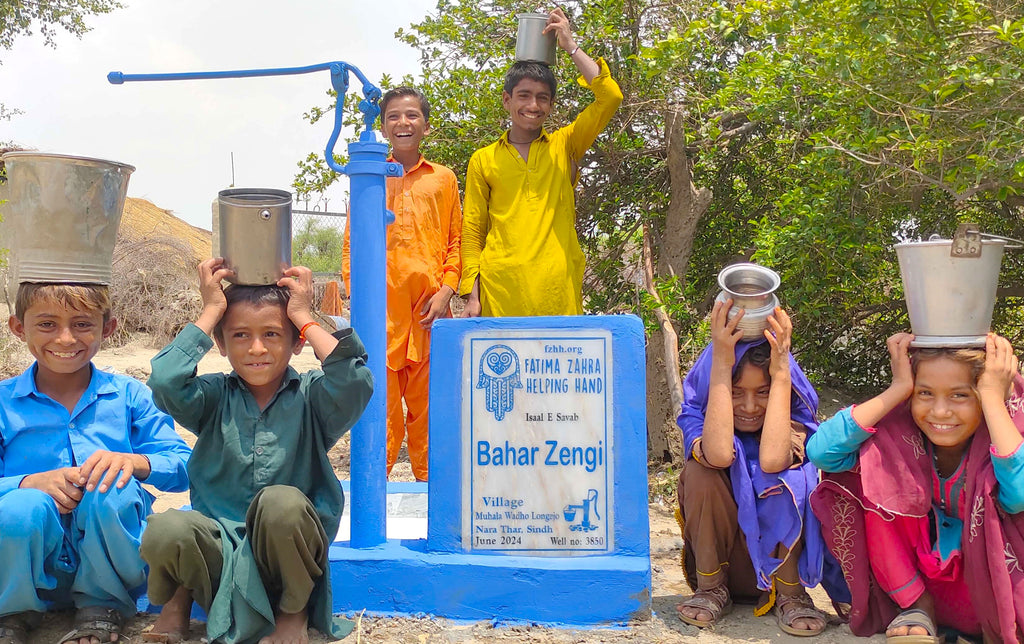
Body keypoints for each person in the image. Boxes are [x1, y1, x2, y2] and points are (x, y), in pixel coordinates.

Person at [140, 259, 373, 644]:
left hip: (289, 545)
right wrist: (212, 309)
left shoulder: (314, 398)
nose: (257, 348)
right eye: (241, 335)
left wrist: (304, 315)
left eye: (272, 334)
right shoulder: (212, 398)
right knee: (168, 527)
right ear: (221, 342)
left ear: (296, 341)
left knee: (281, 503)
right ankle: (177, 605)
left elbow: (355, 381)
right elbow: (165, 381)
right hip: (221, 547)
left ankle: (293, 611)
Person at [0, 282, 191, 644]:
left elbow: (184, 465)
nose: (66, 338)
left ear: (108, 328)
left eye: (82, 324)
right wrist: (25, 482)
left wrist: (135, 462)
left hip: (117, 573)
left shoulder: (129, 395)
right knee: (22, 506)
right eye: (46, 324)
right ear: (18, 327)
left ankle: (103, 608)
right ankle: (12, 614)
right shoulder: (3, 402)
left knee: (110, 488)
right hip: (23, 569)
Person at [808, 333, 1024, 643]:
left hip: (992, 592)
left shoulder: (1006, 435)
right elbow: (822, 452)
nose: (940, 411)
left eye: (960, 395)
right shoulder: (900, 437)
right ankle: (917, 607)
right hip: (920, 587)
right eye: (925, 393)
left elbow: (1019, 495)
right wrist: (898, 388)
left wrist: (993, 397)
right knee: (872, 468)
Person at [675, 300, 848, 636]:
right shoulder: (698, 417)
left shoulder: (796, 423)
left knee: (788, 472)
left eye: (763, 392)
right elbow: (721, 454)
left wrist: (781, 370)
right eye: (736, 393)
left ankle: (792, 593)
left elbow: (772, 460)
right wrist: (721, 364)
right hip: (725, 568)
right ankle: (711, 588)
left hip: (782, 575)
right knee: (701, 471)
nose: (750, 406)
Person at [459, 7, 623, 318]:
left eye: (542, 97)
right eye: (524, 95)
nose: (533, 105)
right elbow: (473, 231)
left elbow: (610, 97)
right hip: (500, 294)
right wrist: (472, 295)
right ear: (508, 100)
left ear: (551, 104)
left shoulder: (565, 145)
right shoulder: (483, 159)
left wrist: (570, 46)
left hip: (557, 293)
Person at [341, 86, 461, 481]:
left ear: (426, 125)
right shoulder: (369, 178)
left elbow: (454, 242)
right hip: (382, 321)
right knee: (381, 418)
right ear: (383, 126)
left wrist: (447, 291)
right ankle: (373, 509)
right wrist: (359, 304)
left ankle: (433, 506)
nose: (403, 123)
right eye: (393, 116)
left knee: (430, 418)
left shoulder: (443, 179)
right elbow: (351, 245)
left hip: (429, 316)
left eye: (411, 115)